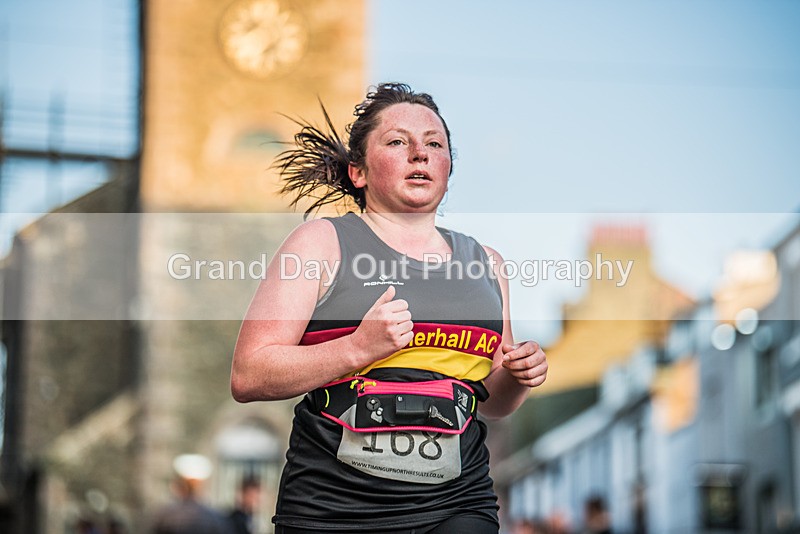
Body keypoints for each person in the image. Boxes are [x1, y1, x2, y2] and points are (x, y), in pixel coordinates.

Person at [231, 82, 548, 533]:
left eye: (434, 144)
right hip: (335, 507)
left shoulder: (487, 263)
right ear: (358, 172)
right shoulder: (322, 242)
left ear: (448, 166)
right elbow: (249, 374)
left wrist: (518, 376)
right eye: (398, 141)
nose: (420, 153)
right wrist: (358, 348)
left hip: (458, 501)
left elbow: (493, 403)